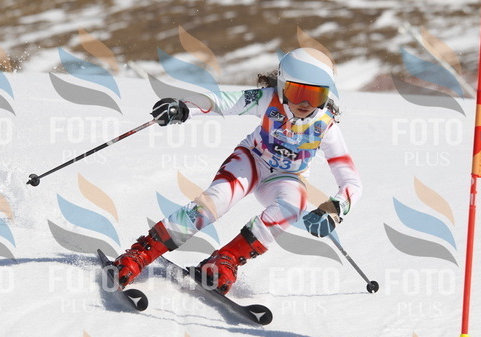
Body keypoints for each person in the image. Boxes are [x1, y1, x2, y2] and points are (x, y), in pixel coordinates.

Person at [110, 47, 362, 295]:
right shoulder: (268, 99)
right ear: (283, 86)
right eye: (297, 93)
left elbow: (351, 181)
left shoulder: (325, 126)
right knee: (215, 202)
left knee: (293, 206)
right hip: (252, 161)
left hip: (287, 178)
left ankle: (225, 261)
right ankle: (140, 254)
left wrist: (334, 210)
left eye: (316, 96)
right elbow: (221, 101)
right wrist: (184, 107)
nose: (305, 103)